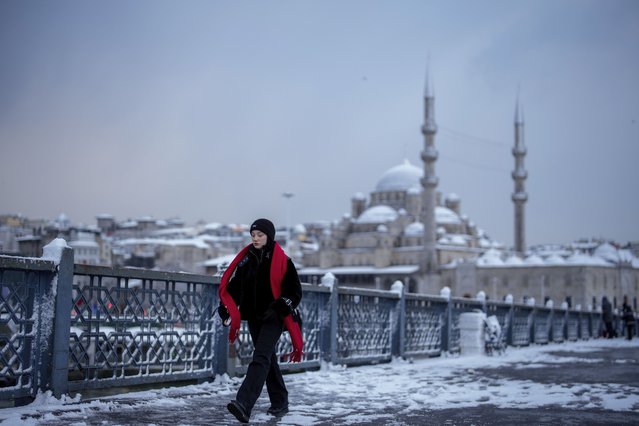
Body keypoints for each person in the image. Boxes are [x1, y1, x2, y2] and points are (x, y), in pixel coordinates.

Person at [218, 218, 303, 423]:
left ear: (269, 236)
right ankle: (280, 400)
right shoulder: (246, 260)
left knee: (261, 357)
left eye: (260, 235)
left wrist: (279, 308)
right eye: (253, 235)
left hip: (275, 317)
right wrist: (226, 308)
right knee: (268, 359)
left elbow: (295, 291)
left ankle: (244, 403)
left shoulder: (283, 261)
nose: (255, 238)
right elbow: (236, 287)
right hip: (255, 317)